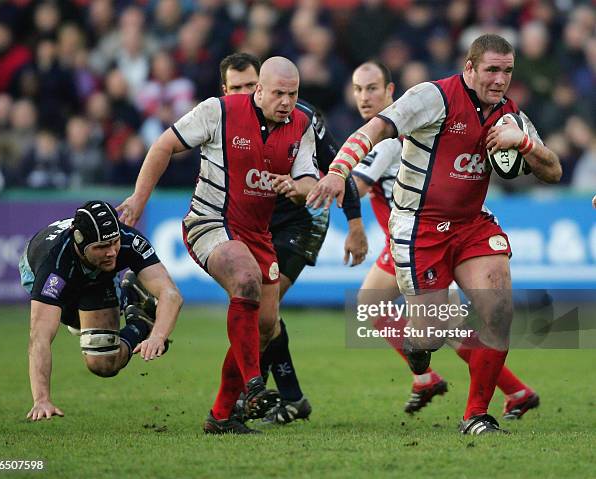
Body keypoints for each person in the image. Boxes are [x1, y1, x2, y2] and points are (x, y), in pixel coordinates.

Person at [308, 34, 561, 434]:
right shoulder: (433, 97)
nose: (500, 79)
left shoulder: (510, 115)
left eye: (507, 71)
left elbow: (553, 172)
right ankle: (420, 356)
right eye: (492, 70)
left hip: (472, 223)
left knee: (498, 309)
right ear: (470, 68)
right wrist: (338, 170)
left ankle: (476, 414)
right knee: (428, 335)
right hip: (420, 225)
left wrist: (524, 142)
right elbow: (374, 130)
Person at [118, 57, 320, 434]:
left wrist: (296, 188)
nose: (286, 102)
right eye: (278, 93)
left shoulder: (302, 126)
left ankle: (222, 415)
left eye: (293, 94)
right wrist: (138, 199)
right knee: (245, 280)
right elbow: (163, 146)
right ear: (259, 89)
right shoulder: (218, 111)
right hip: (210, 221)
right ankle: (255, 384)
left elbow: (309, 180)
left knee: (265, 325)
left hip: (259, 235)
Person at [351, 60, 540, 419]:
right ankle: (510, 390)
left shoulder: (389, 141)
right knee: (442, 323)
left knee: (392, 310)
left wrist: (319, 186)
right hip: (416, 236)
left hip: (420, 235)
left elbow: (354, 187)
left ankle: (434, 377)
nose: (365, 97)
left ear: (392, 93)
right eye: (359, 89)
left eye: (373, 88)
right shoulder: (406, 130)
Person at [219, 52, 368, 424]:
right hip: (254, 225)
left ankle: (247, 396)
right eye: (235, 88)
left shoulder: (302, 118)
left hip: (301, 221)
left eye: (249, 85)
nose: (244, 93)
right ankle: (291, 397)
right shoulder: (222, 117)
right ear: (225, 90)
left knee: (261, 314)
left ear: (262, 83)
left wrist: (354, 223)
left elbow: (339, 166)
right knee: (264, 317)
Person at [20, 200, 183, 421]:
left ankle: (140, 321)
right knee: (76, 324)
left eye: (114, 242)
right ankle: (133, 306)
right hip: (50, 273)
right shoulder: (54, 267)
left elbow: (170, 295)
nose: (111, 252)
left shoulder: (128, 240)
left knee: (104, 364)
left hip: (98, 279)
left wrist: (158, 336)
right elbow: (40, 337)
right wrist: (41, 399)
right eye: (101, 247)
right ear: (80, 243)